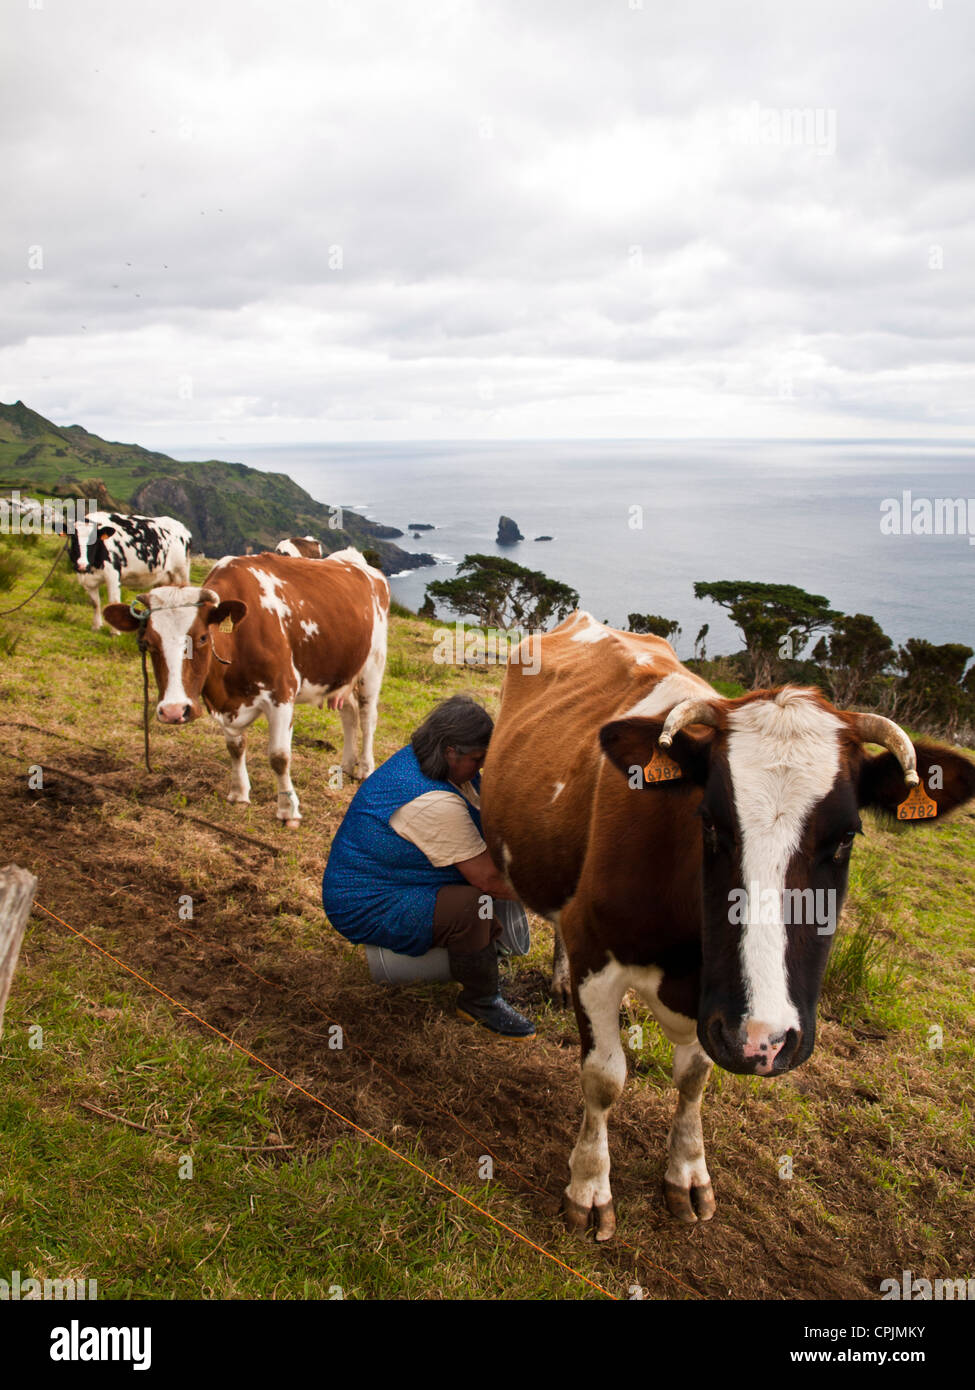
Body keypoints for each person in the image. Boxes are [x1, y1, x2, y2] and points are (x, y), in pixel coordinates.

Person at [322, 694, 535, 1039]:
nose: (480, 768)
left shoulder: (431, 762)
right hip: (365, 901)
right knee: (474, 907)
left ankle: (477, 954)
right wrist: (561, 898)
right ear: (451, 751)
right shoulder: (432, 801)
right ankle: (480, 1000)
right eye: (477, 759)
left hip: (399, 879)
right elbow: (488, 880)